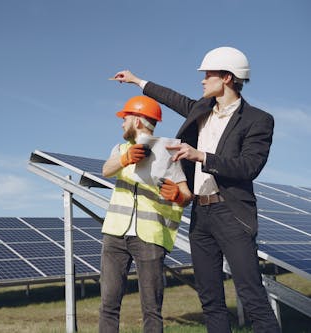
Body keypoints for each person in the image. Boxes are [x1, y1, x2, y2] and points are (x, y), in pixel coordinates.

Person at [111, 46, 280, 333]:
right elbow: (172, 98)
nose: (202, 80)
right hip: (201, 216)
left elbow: (249, 166)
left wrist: (200, 156)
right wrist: (137, 80)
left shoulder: (258, 120)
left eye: (208, 75)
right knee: (210, 299)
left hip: (232, 214)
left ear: (227, 77)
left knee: (252, 296)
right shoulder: (201, 110)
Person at [99, 95, 192, 333]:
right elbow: (106, 170)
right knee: (108, 304)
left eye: (125, 118)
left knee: (151, 309)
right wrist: (125, 159)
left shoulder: (168, 153)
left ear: (138, 121)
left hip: (150, 237)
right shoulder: (119, 149)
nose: (121, 123)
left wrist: (178, 196)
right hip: (115, 235)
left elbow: (185, 193)